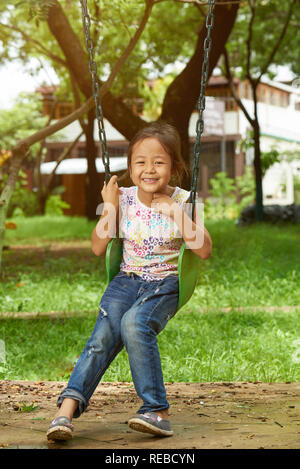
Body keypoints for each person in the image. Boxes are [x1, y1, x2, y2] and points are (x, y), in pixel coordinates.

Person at [46, 121, 212, 441]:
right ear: (130, 166)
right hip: (126, 280)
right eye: (141, 162)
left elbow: (203, 250)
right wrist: (109, 207)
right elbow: (97, 247)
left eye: (159, 162)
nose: (149, 169)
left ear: (174, 167)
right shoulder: (121, 198)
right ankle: (65, 412)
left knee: (134, 324)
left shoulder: (183, 198)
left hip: (164, 284)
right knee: (102, 336)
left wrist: (175, 212)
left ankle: (157, 411)